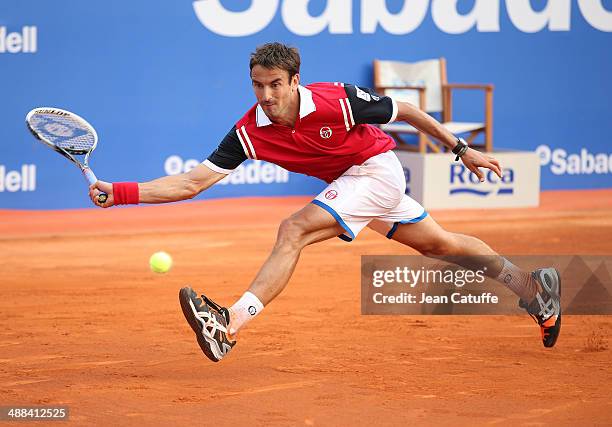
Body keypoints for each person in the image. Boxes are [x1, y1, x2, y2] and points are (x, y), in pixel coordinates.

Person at [89, 42, 561, 362]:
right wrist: (121, 192)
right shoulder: (248, 131)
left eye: (276, 84)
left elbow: (410, 112)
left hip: (376, 170)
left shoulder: (338, 101)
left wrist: (462, 148)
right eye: (258, 85)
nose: (267, 95)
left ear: (295, 80)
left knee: (292, 230)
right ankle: (533, 289)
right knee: (440, 245)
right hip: (354, 183)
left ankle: (229, 324)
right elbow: (191, 183)